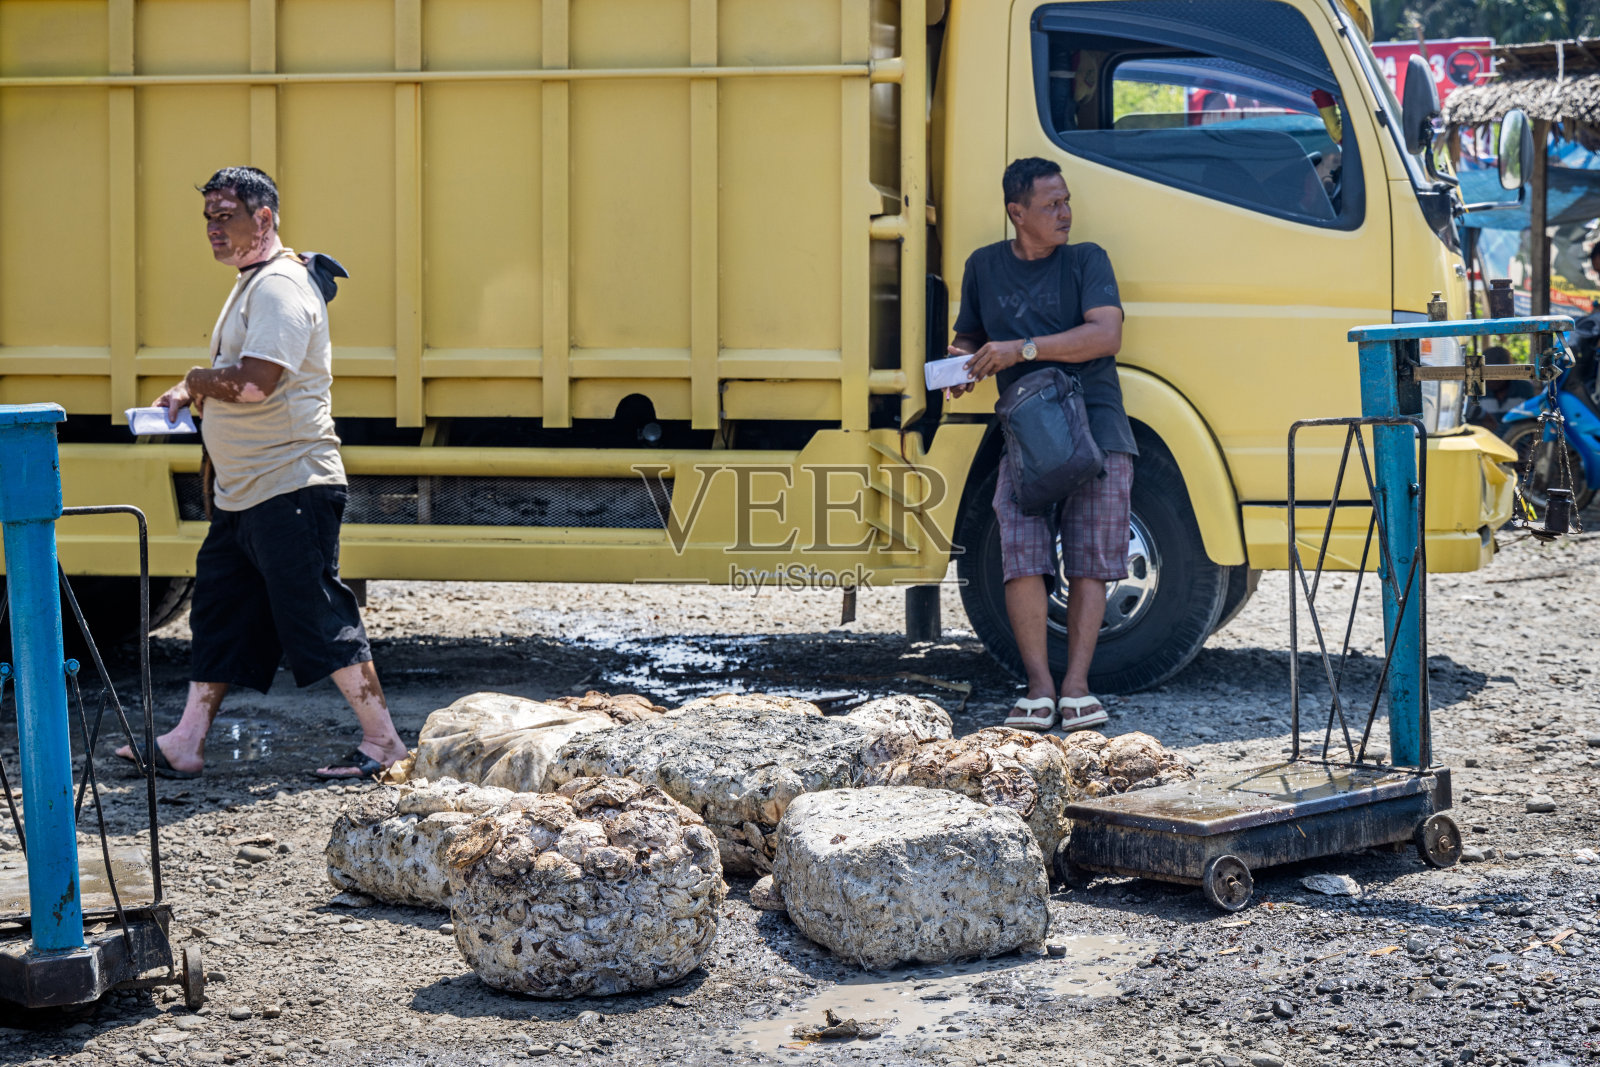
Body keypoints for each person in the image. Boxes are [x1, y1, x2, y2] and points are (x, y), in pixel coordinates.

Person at [117, 166, 408, 780]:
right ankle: (186, 742)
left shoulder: (279, 286)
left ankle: (384, 744)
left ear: (265, 219)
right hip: (245, 492)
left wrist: (197, 382)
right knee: (220, 611)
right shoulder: (255, 282)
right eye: (208, 219)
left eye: (226, 217)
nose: (213, 230)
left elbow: (253, 384)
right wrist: (187, 390)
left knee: (317, 613)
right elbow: (242, 369)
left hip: (290, 485)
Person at [948, 157, 1136, 733]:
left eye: (1066, 201)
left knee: (1091, 558)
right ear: (1017, 212)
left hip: (1098, 429)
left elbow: (1106, 334)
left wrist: (1020, 350)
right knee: (1021, 553)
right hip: (1026, 439)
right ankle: (1038, 688)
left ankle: (1077, 687)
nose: (1065, 213)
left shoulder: (1087, 259)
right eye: (1052, 205)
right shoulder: (983, 266)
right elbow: (966, 340)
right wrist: (962, 367)